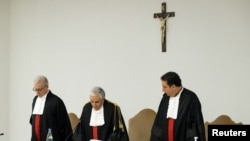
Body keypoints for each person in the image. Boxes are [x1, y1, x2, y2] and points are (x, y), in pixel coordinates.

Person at [150, 71, 206, 141]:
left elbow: (195, 125)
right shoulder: (165, 98)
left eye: (165, 87)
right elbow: (159, 122)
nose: (162, 90)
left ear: (173, 86)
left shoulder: (191, 98)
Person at [29, 75, 72, 141]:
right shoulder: (35, 100)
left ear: (47, 87)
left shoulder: (56, 102)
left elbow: (64, 126)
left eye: (39, 89)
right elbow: (33, 121)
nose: (37, 92)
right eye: (35, 89)